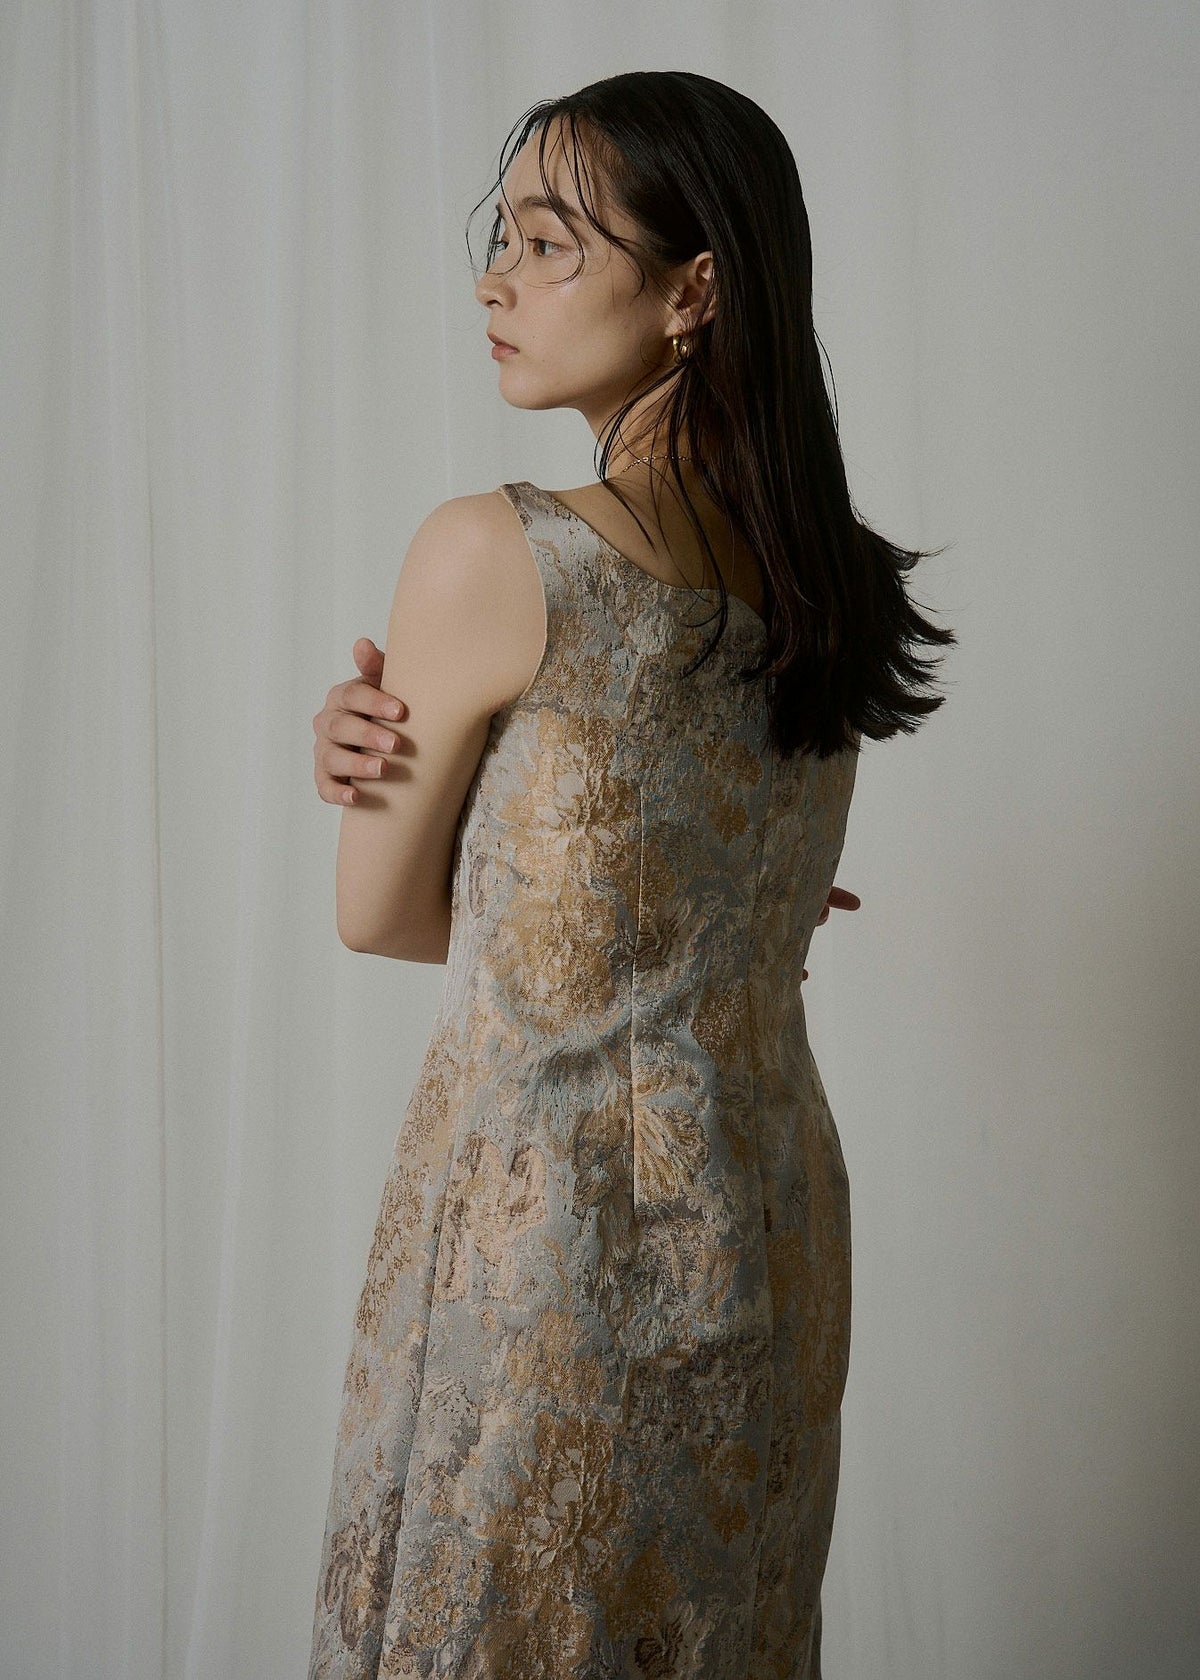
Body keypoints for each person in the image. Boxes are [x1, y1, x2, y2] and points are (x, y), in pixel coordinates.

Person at [306, 70, 953, 1680]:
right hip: (764, 1221)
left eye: (547, 242)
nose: (495, 281)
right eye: (502, 237)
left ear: (692, 291)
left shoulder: (500, 552)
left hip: (557, 1241)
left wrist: (395, 802)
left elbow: (378, 916)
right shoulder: (825, 586)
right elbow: (704, 915)